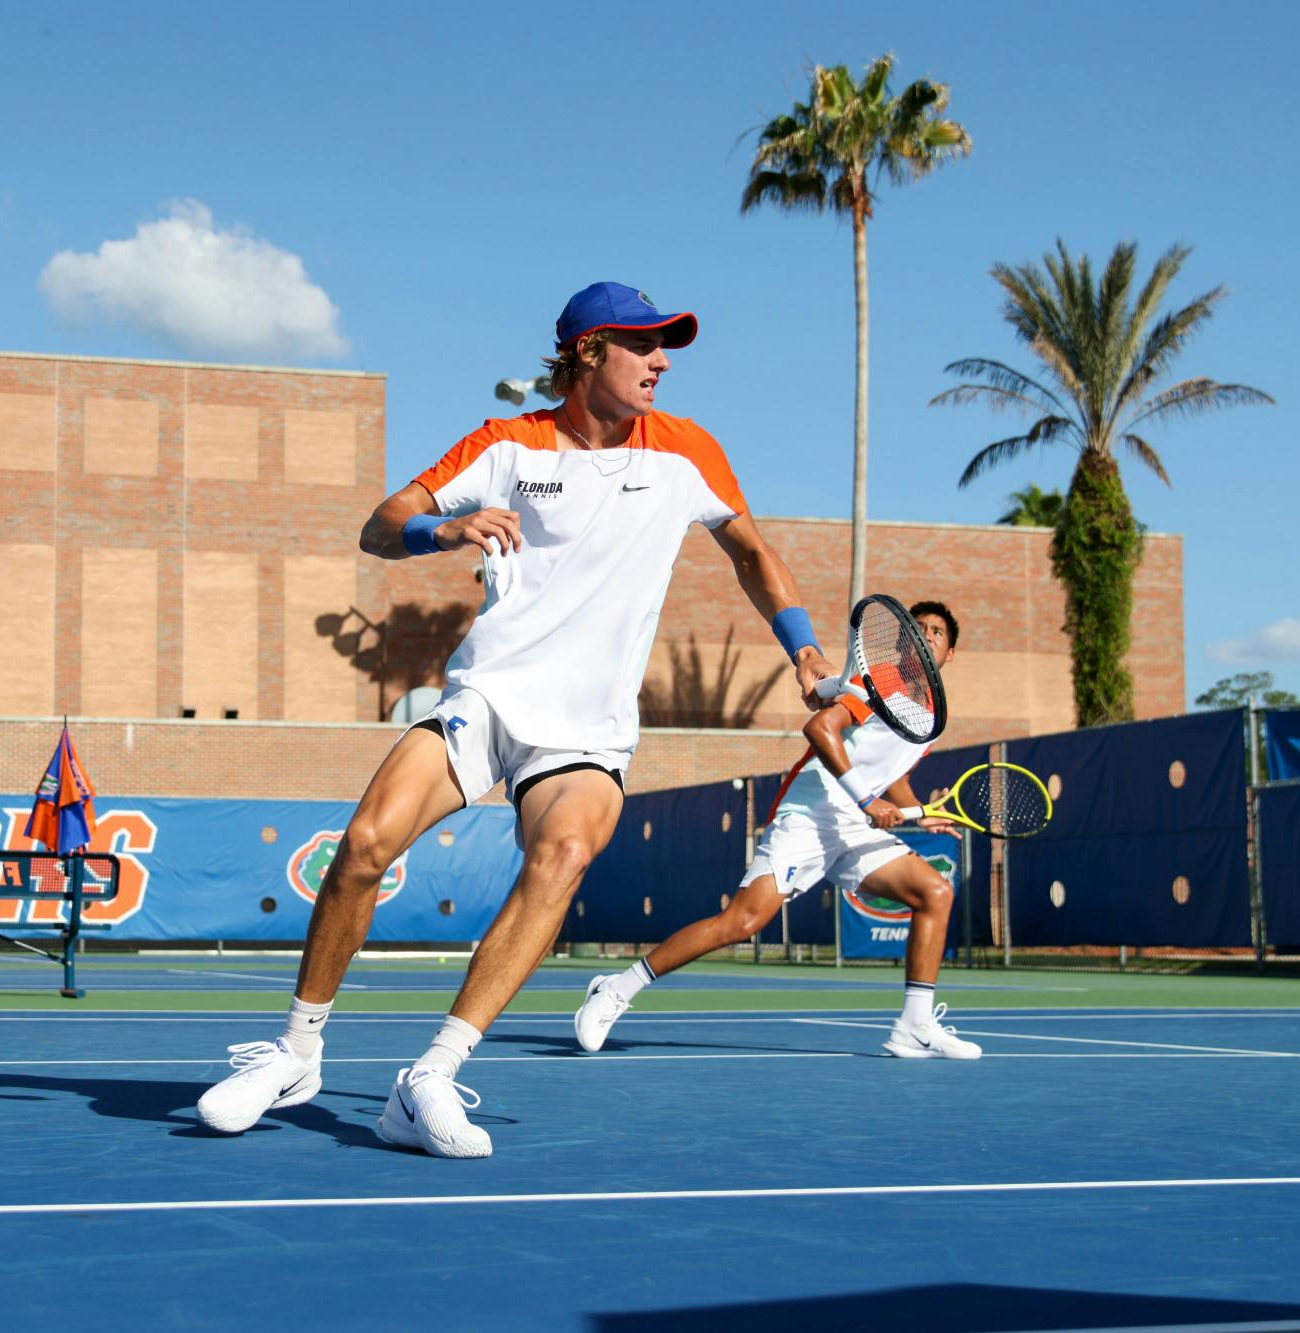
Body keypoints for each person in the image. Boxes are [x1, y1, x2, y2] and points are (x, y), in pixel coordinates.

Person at [196, 282, 834, 1157]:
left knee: (564, 852)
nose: (662, 361)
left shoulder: (688, 452)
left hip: (587, 730)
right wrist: (445, 531)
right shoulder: (508, 443)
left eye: (666, 345)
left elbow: (754, 552)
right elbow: (382, 527)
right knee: (367, 843)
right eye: (643, 345)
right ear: (585, 352)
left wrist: (799, 646)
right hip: (490, 696)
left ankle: (431, 1077)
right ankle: (297, 1052)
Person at [574, 601, 981, 1059]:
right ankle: (616, 988)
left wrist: (913, 810)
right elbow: (821, 730)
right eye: (919, 628)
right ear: (903, 643)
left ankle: (915, 1025)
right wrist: (867, 799)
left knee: (935, 893)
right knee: (743, 922)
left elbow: (894, 773)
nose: (926, 635)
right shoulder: (881, 682)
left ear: (950, 653)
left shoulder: (929, 716)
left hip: (854, 826)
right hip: (811, 814)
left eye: (937, 632)